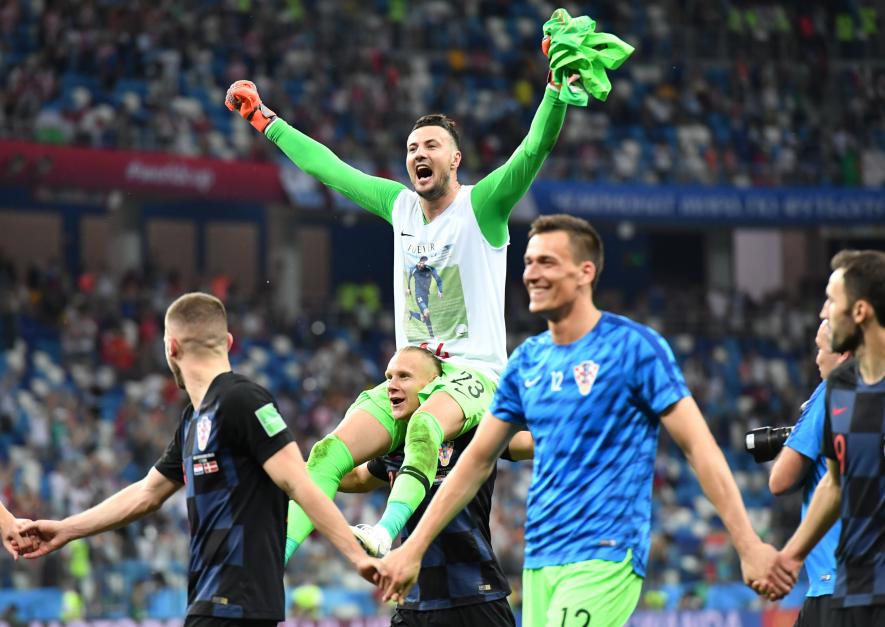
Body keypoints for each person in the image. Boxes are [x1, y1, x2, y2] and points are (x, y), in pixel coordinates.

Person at [225, 12, 598, 563]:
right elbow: (329, 169)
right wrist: (265, 120)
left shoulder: (483, 205)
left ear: (455, 158)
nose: (418, 155)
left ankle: (386, 530)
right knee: (327, 453)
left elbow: (532, 151)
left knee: (426, 427)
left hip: (475, 374)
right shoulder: (399, 206)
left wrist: (555, 93)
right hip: (413, 371)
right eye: (410, 148)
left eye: (430, 146)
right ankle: (268, 562)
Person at [377, 214, 779, 626]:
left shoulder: (633, 348)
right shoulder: (527, 361)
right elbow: (476, 460)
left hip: (605, 553)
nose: (532, 273)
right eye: (530, 262)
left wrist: (747, 544)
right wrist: (413, 547)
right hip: (541, 561)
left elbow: (699, 447)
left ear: (585, 272)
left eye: (547, 262)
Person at [18, 292, 379, 627]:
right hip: (210, 605)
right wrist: (65, 529)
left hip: (239, 606)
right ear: (229, 342)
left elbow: (300, 483)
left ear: (171, 347)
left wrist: (358, 558)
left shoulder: (244, 401)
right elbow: (146, 493)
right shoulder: (193, 419)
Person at [338, 345, 533, 626]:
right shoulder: (396, 447)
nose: (391, 386)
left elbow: (526, 443)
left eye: (403, 376)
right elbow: (356, 478)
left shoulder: (471, 430)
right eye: (388, 376)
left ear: (432, 385)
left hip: (476, 596)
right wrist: (296, 474)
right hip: (414, 600)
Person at [759, 250, 885, 626]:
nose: (822, 313)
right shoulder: (842, 388)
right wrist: (791, 556)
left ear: (859, 311)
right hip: (847, 592)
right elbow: (833, 485)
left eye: (832, 301)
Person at [767, 319, 849, 627]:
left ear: (843, 355)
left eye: (820, 349)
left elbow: (780, 480)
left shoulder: (834, 390)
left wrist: (789, 556)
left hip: (835, 583)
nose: (816, 358)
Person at [407, 256, 443, 339]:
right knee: (426, 312)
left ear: (426, 264)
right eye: (419, 262)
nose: (420, 265)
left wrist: (440, 290)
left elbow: (438, 279)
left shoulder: (430, 269)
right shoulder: (414, 269)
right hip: (418, 294)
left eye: (422, 263)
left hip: (426, 295)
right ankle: (432, 337)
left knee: (425, 318)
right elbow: (409, 277)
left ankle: (432, 336)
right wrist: (408, 288)